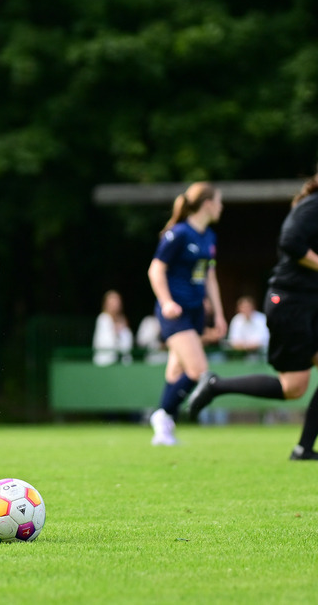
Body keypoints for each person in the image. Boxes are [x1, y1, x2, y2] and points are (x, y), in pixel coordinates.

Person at [187, 170, 318, 460]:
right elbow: (290, 241)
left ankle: (303, 449)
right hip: (290, 302)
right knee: (293, 388)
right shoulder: (313, 205)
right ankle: (215, 385)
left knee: (294, 387)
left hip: (309, 303)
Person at [146, 182, 227, 446]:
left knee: (176, 371)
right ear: (207, 203)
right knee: (197, 370)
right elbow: (155, 270)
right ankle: (162, 415)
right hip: (175, 312)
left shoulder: (209, 236)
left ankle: (163, 431)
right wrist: (167, 302)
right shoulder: (179, 233)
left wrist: (220, 314)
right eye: (219, 201)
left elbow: (210, 277)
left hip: (195, 311)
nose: (221, 206)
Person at [92, 290, 134, 366]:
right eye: (112, 302)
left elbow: (127, 346)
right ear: (106, 304)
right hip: (104, 364)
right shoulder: (103, 319)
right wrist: (115, 331)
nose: (115, 304)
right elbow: (106, 344)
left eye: (117, 301)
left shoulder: (123, 320)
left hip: (122, 365)